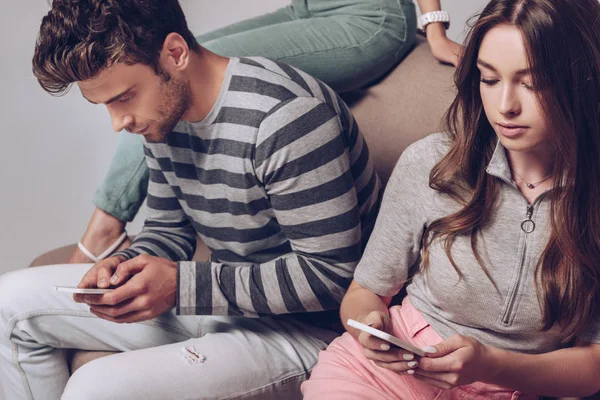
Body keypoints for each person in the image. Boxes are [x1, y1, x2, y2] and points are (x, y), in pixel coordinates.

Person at [0, 0, 382, 398]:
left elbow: (331, 278)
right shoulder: (165, 118)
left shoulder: (286, 119)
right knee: (6, 302)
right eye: (105, 105)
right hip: (221, 308)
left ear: (175, 53)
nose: (118, 123)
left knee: (95, 388)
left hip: (311, 331)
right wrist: (126, 267)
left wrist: (182, 286)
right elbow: (167, 229)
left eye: (124, 97)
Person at [302, 0, 600, 398]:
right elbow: (364, 292)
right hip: (380, 373)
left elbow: (594, 367)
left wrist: (493, 365)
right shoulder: (431, 163)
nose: (505, 106)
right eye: (489, 79)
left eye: (531, 83)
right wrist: (368, 327)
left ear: (580, 81)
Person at [69, 0, 463, 265]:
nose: (117, 117)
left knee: (172, 63)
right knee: (167, 65)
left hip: (369, 16)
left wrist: (435, 27)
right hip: (308, 8)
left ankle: (104, 228)